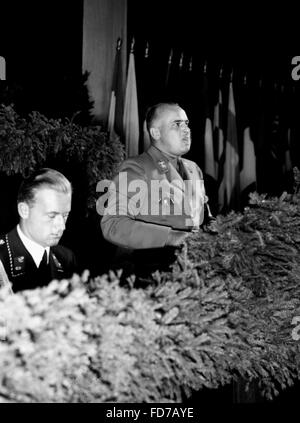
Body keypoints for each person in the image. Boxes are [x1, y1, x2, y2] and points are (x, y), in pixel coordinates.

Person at [99, 102, 210, 275]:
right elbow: (113, 225)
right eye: (177, 124)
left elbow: (203, 219)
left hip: (193, 271)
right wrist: (172, 237)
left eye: (186, 124)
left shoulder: (193, 169)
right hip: (151, 272)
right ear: (155, 132)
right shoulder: (137, 168)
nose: (186, 130)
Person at [0, 168, 77, 293]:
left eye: (65, 215)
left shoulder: (66, 258)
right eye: (51, 216)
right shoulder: (2, 258)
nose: (62, 226)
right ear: (24, 210)